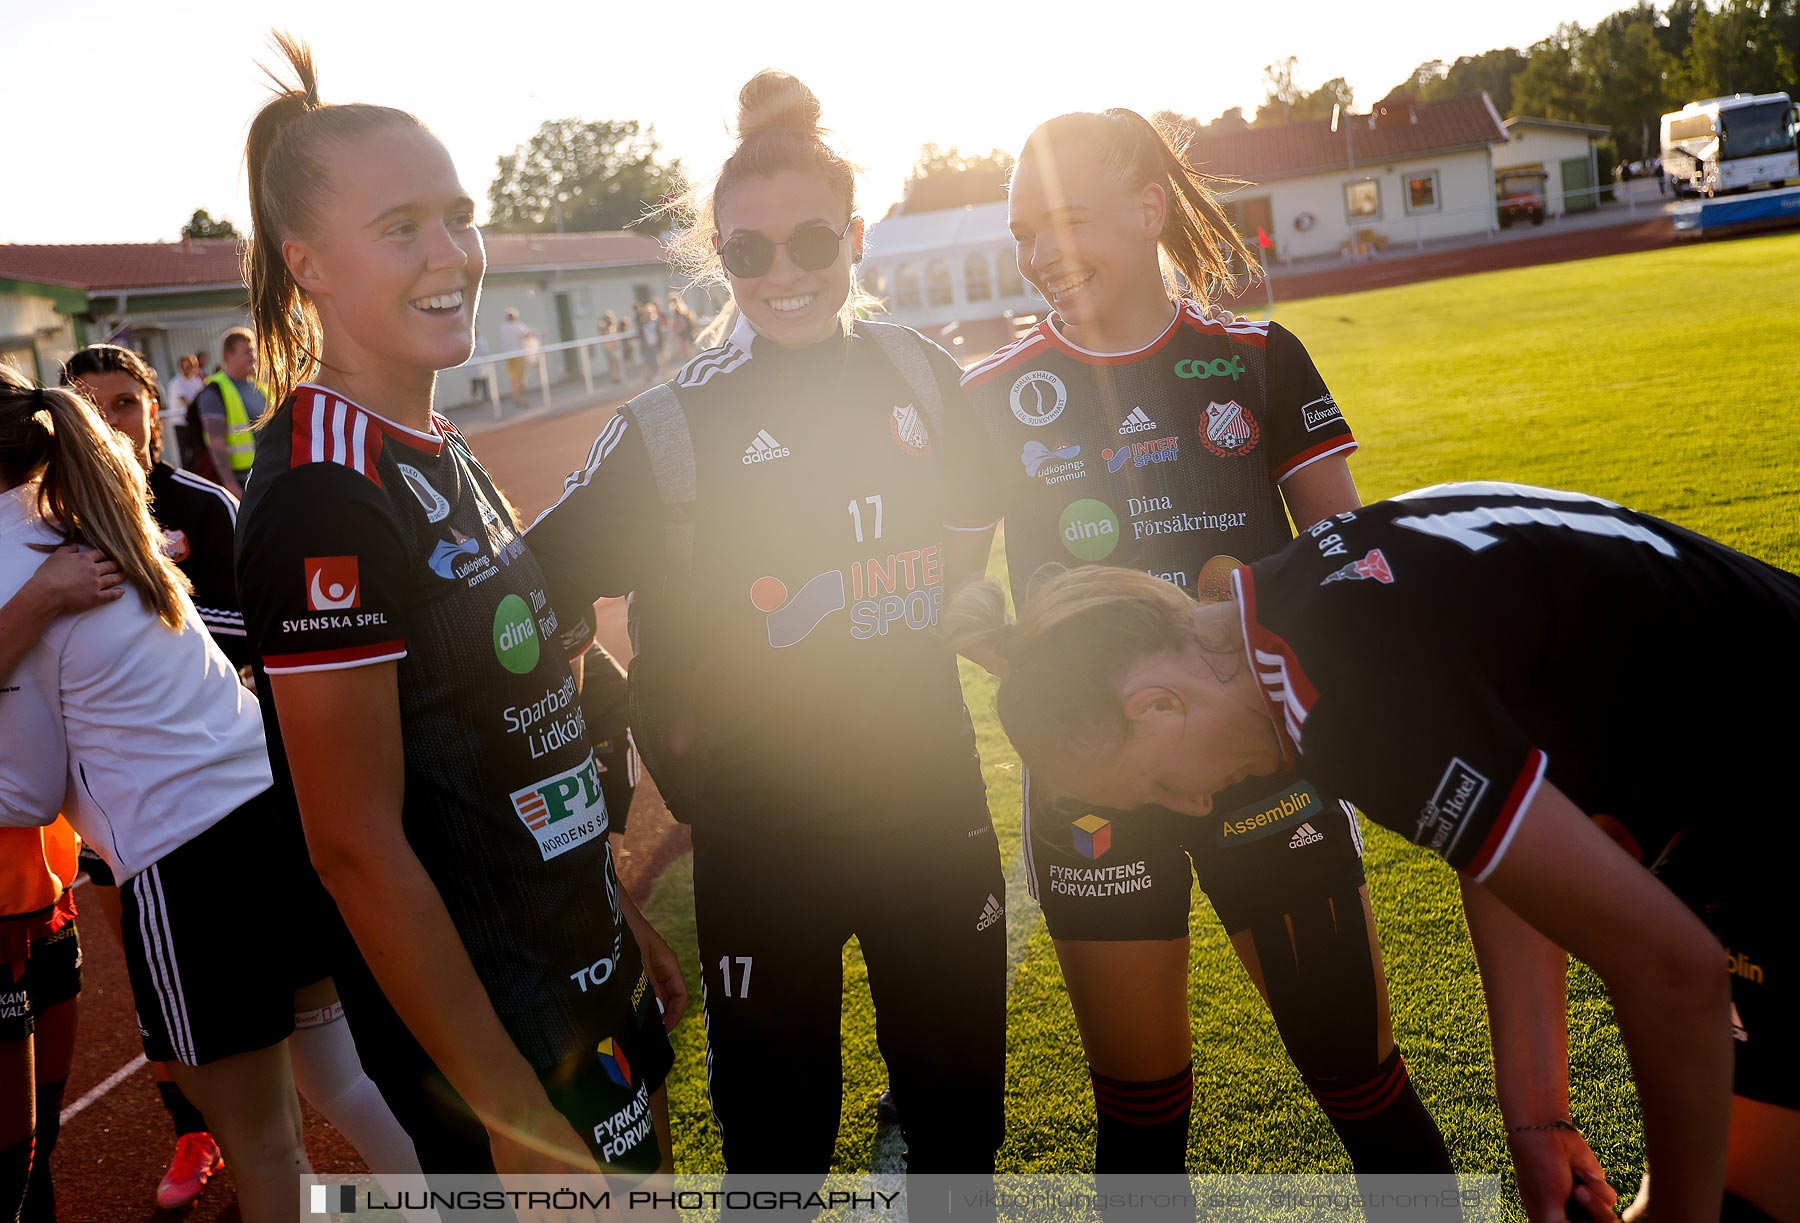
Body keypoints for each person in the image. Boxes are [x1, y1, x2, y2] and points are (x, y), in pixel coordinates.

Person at [947, 480, 1800, 1223]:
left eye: (1156, 786)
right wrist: (1537, 1115)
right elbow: (1513, 852)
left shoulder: (1336, 700)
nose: (1194, 804)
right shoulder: (1292, 603)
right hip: (1744, 800)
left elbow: (1674, 971)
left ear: (1157, 704)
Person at [946, 108, 1451, 1187]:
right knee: (1140, 1118)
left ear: (1148, 208)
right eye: (1024, 231)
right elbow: (955, 593)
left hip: (1259, 761)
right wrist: (1009, 646)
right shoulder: (988, 395)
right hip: (1090, 787)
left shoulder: (1257, 360)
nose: (1041, 253)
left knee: (1364, 1088)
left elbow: (1347, 562)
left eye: (1067, 220)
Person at [524, 70, 1006, 1192]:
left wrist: (929, 606)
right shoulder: (670, 426)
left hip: (932, 815)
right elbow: (534, 600)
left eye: (811, 242)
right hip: (762, 845)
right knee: (777, 1157)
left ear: (856, 235)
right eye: (749, 253)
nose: (783, 274)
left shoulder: (924, 378)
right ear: (717, 256)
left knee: (957, 1137)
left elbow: (971, 533)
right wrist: (602, 751)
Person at [231, 35, 680, 1184]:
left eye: (460, 215)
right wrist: (515, 1118)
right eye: (401, 229)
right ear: (308, 263)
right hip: (506, 1036)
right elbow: (355, 847)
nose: (454, 254)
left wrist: (613, 919)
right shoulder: (321, 492)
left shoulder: (430, 442)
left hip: (581, 968)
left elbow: (505, 731)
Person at [0, 367, 419, 1223]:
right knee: (341, 1072)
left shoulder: (12, 563)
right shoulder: (91, 514)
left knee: (268, 1149)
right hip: (269, 813)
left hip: (187, 867)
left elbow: (31, 794)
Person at [58, 342, 251, 1208]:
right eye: (89, 406)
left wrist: (148, 599)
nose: (111, 423)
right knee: (153, 977)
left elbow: (259, 627)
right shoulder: (54, 528)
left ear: (153, 410)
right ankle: (194, 1131)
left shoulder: (203, 505)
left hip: (225, 785)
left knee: (270, 974)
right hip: (118, 806)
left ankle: (275, 1126)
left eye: (124, 404)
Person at [191, 328, 266, 497]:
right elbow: (216, 443)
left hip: (269, 473)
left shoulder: (261, 388)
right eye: (247, 352)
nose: (253, 356)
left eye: (253, 350)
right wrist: (230, 484)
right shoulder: (215, 390)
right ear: (228, 355)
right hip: (243, 479)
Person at [164, 353, 206, 469]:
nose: (186, 369)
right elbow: (188, 402)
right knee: (186, 455)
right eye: (184, 366)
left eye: (189, 366)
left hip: (195, 423)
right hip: (181, 424)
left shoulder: (196, 381)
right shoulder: (177, 382)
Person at [500, 306, 534, 406]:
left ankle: (516, 398)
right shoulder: (517, 326)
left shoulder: (503, 327)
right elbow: (527, 335)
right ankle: (522, 399)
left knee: (514, 379)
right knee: (521, 378)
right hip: (518, 355)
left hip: (509, 356)